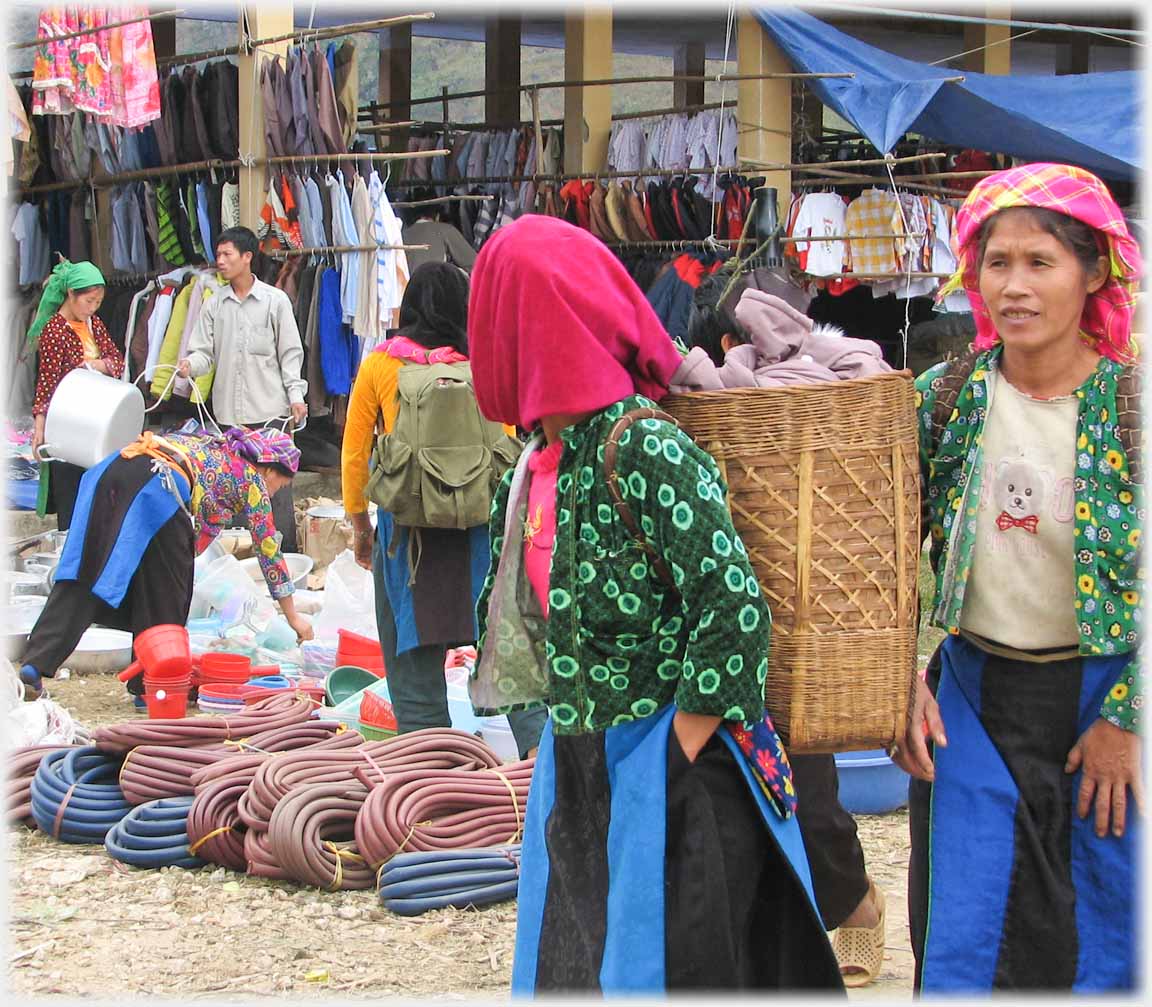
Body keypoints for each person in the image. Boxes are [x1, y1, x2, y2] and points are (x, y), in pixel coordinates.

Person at [466, 215, 844, 994]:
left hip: (670, 766)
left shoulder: (642, 446)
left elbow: (732, 603)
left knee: (670, 967)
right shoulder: (539, 461)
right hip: (580, 759)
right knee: (578, 959)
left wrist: (678, 745)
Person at [896, 162, 1143, 993]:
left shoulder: (1133, 410)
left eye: (1042, 262)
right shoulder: (945, 398)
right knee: (965, 932)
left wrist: (1129, 718)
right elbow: (875, 552)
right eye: (997, 263)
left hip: (1100, 706)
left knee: (1104, 928)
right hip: (973, 695)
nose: (1015, 286)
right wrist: (900, 674)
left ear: (1094, 270)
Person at [686, 273, 888, 988]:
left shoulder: (816, 416)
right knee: (731, 815)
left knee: (811, 798)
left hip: (803, 622)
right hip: (717, 631)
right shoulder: (693, 420)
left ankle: (856, 904)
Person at [341, 261, 546, 756]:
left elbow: (353, 454)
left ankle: (428, 779)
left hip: (408, 534)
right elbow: (513, 443)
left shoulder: (381, 363)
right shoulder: (489, 363)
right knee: (509, 646)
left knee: (411, 664)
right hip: (483, 527)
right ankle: (540, 770)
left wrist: (360, 527)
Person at [17, 427, 314, 702]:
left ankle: (36, 663)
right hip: (159, 487)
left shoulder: (214, 446)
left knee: (89, 571)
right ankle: (153, 683)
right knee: (167, 594)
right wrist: (293, 617)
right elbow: (268, 550)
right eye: (279, 484)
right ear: (268, 468)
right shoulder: (252, 479)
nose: (274, 492)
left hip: (112, 469)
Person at [177, 226, 307, 552]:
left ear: (247, 257)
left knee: (274, 494)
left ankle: (284, 559)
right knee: (232, 494)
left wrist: (296, 397)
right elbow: (204, 352)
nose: (220, 261)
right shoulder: (214, 304)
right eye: (218, 255)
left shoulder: (275, 301)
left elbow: (290, 353)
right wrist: (191, 365)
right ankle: (239, 561)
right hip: (230, 420)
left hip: (270, 418)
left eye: (227, 254)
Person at [28, 259, 124, 530]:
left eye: (97, 302)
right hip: (67, 422)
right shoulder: (54, 331)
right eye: (88, 301)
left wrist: (94, 365)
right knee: (72, 494)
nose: (92, 308)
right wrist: (40, 428)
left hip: (95, 419)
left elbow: (116, 360)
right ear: (71, 294)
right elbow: (47, 382)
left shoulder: (93, 324)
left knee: (97, 495)